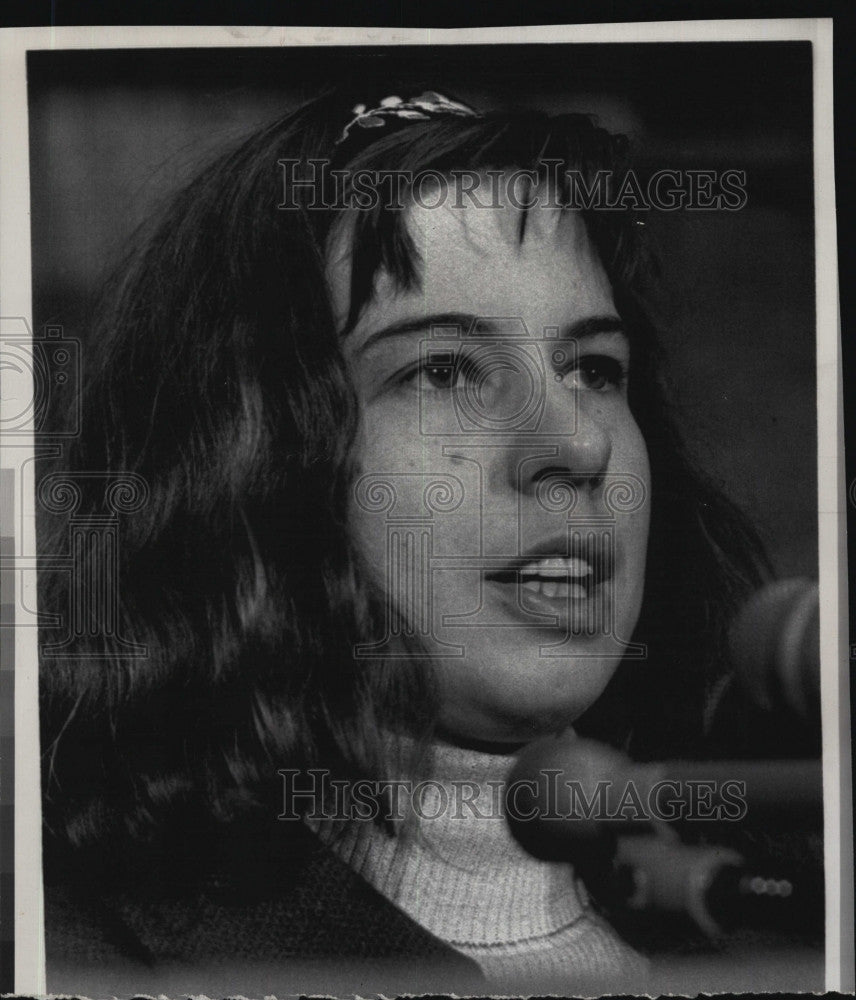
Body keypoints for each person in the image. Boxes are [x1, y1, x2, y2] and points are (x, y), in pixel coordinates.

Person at [38, 88, 770, 996]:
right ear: (253, 465)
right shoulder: (73, 953)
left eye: (593, 368)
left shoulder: (778, 906)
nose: (577, 445)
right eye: (444, 370)